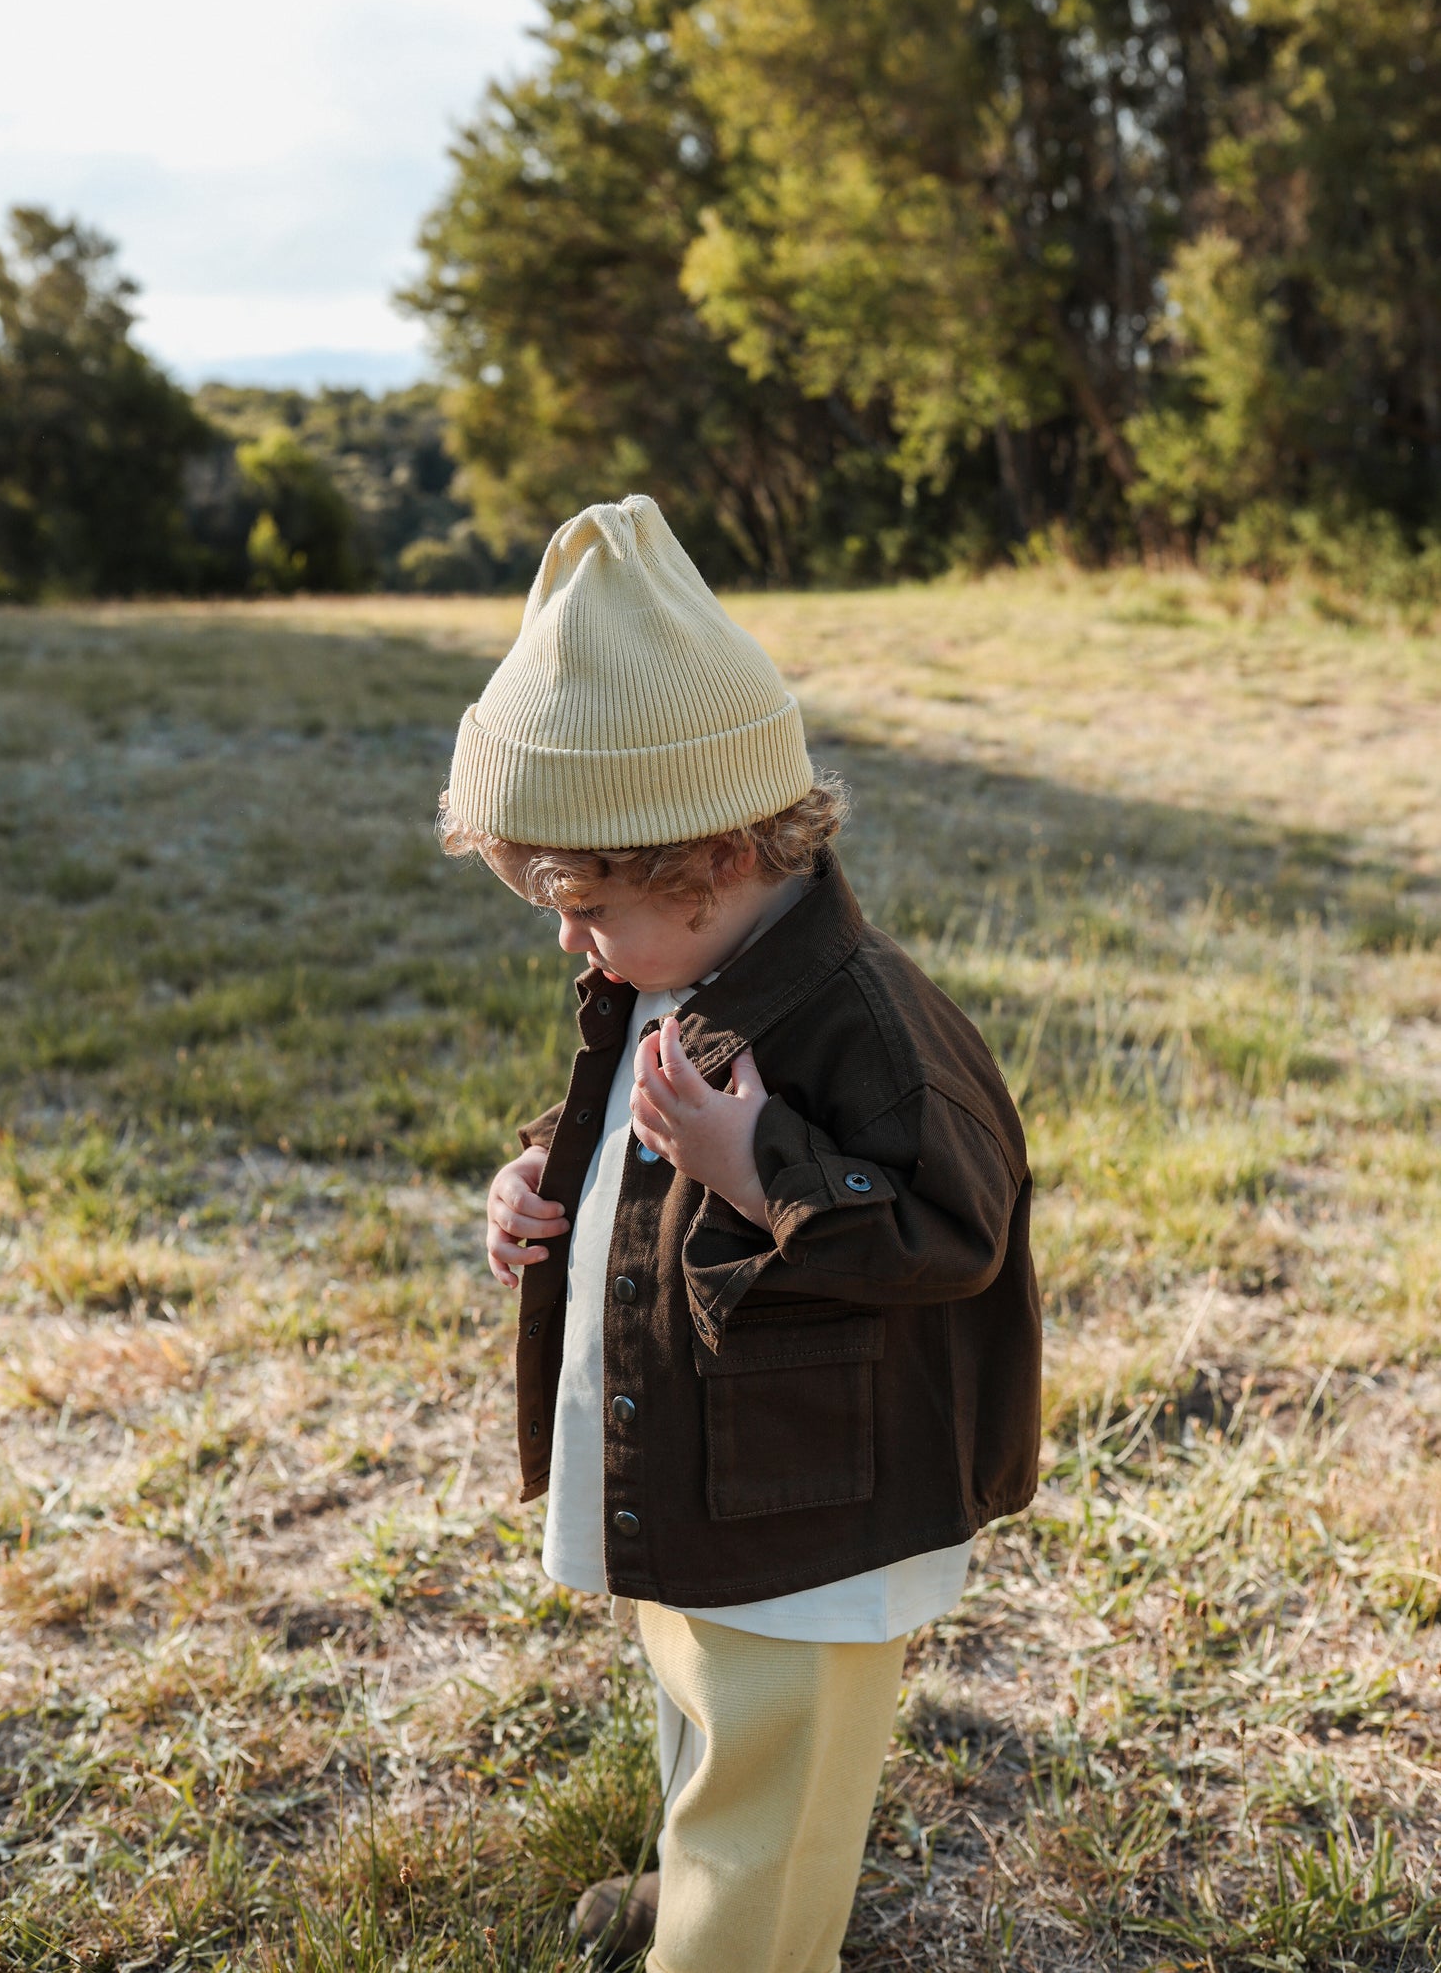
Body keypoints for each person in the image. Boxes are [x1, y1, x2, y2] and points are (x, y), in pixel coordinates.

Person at [438, 494, 1040, 1973]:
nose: (567, 942)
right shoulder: (679, 959)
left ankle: (737, 1941)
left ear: (703, 860)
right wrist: (543, 1181)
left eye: (578, 905)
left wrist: (761, 1160)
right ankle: (690, 1898)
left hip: (813, 1503)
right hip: (713, 1470)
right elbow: (627, 1128)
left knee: (774, 1781)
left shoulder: (871, 1025)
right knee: (701, 1697)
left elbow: (951, 1231)